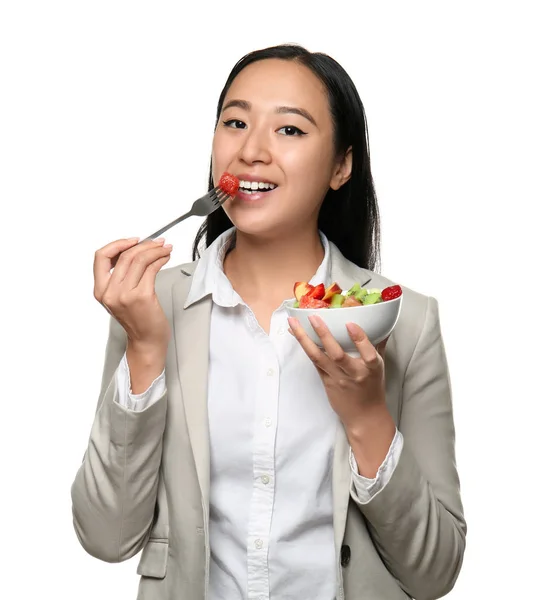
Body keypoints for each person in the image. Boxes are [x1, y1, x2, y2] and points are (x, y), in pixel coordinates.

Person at [71, 44, 466, 600]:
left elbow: (436, 573)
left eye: (290, 131)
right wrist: (143, 351)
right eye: (235, 122)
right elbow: (106, 536)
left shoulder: (406, 320)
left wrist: (368, 418)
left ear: (341, 166)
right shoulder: (146, 306)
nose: (251, 150)